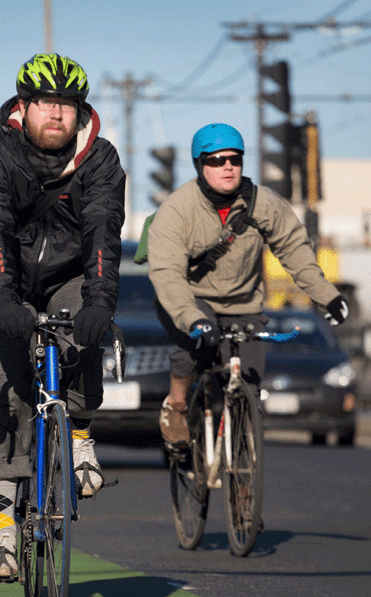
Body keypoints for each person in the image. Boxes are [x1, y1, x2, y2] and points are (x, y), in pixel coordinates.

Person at [0, 53, 126, 580]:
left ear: (79, 111)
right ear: (24, 106)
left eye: (67, 105)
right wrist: (2, 302)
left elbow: (103, 230)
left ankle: (79, 432)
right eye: (46, 104)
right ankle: (3, 532)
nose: (57, 115)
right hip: (5, 278)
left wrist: (101, 302)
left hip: (71, 274)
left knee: (85, 326)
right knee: (8, 379)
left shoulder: (100, 159)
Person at [146, 123, 349, 448]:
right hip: (191, 300)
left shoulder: (263, 204)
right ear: (199, 165)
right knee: (191, 347)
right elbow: (167, 273)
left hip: (245, 307)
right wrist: (192, 317)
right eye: (216, 160)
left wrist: (328, 297)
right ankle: (178, 406)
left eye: (235, 159)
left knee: (249, 390)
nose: (227, 166)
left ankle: (243, 475)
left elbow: (294, 250)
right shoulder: (177, 210)